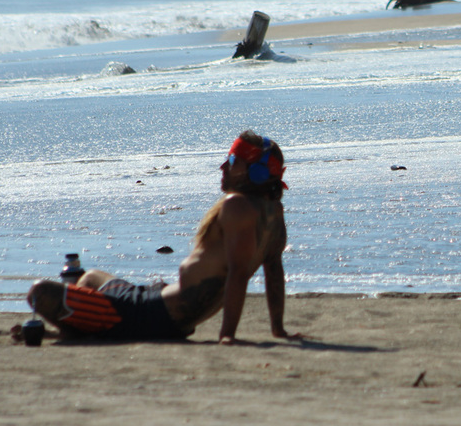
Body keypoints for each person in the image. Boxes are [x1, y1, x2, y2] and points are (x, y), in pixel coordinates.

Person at [26, 131, 299, 345]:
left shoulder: (236, 207)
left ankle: (75, 333)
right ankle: (76, 329)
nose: (222, 167)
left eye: (231, 161)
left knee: (40, 293)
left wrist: (227, 335)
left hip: (148, 316)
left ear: (257, 172)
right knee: (90, 278)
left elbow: (238, 274)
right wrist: (278, 329)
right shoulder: (273, 212)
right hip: (153, 300)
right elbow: (273, 268)